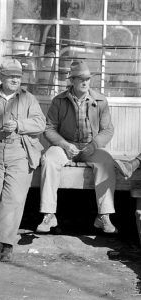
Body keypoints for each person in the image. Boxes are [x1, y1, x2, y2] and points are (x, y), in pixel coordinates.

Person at [0, 58, 46, 262]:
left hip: (20, 150)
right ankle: (6, 247)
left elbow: (40, 123)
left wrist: (19, 125)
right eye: (11, 76)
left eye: (18, 76)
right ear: (1, 77)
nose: (15, 80)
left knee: (13, 198)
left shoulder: (28, 98)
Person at [36, 60, 118, 234]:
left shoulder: (100, 101)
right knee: (49, 159)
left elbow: (108, 130)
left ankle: (104, 216)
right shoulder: (59, 101)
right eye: (80, 79)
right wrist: (64, 145)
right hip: (66, 146)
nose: (85, 82)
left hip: (91, 147)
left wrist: (94, 145)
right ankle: (49, 214)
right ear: (71, 80)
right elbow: (49, 128)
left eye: (87, 78)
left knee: (106, 161)